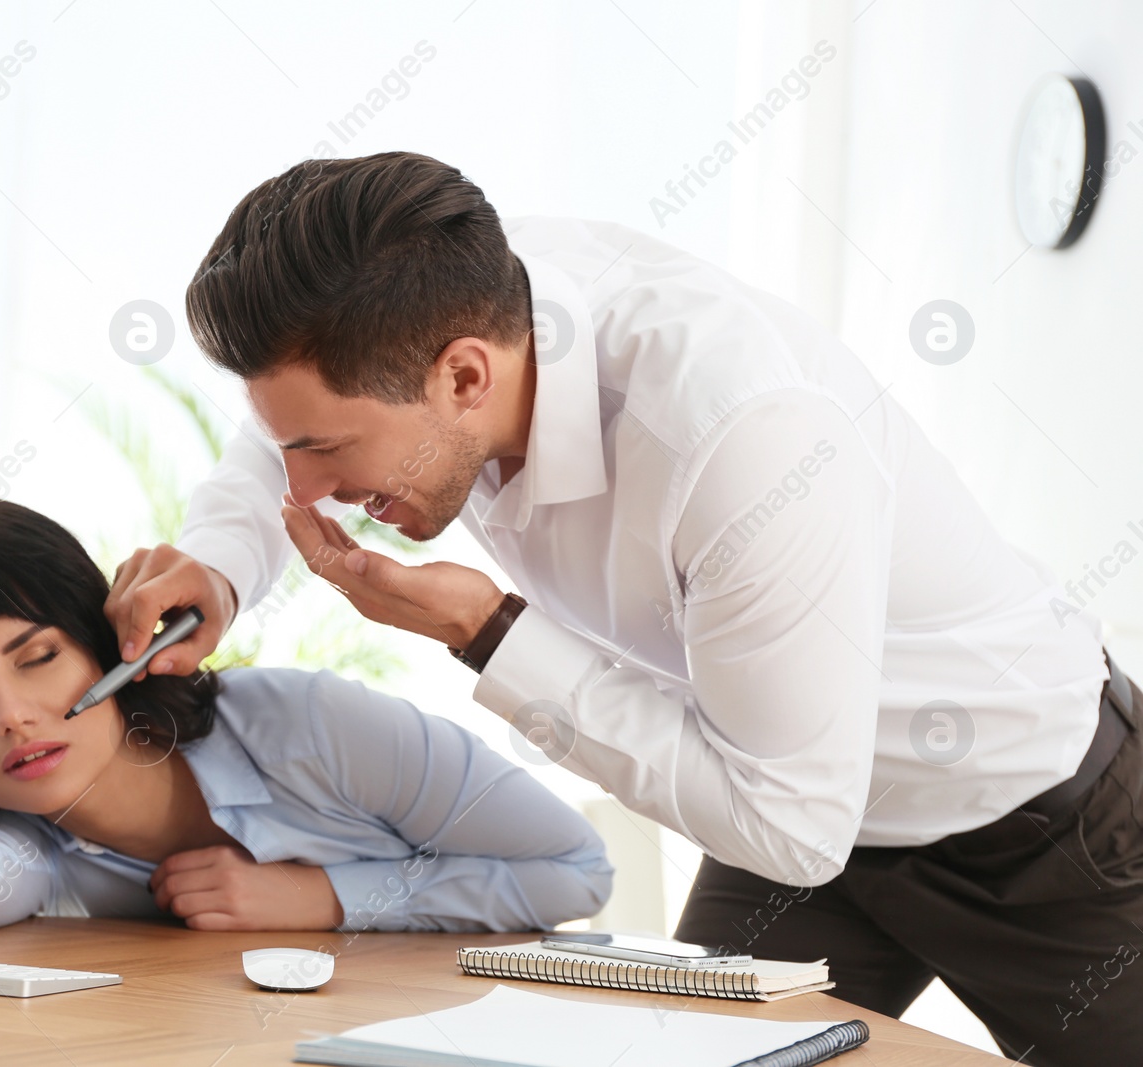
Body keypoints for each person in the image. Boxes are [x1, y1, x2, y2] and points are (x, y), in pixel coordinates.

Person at [102, 151, 1143, 1064]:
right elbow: (294, 413)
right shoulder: (432, 311)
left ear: (464, 374)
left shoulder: (739, 436)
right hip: (794, 800)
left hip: (1045, 832)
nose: (305, 486)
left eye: (324, 452)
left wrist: (489, 633)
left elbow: (790, 826)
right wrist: (219, 561)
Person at [0, 496, 612, 936]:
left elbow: (576, 871)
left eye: (38, 657)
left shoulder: (311, 725)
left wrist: (327, 898)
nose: (9, 715)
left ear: (114, 643)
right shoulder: (21, 847)